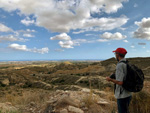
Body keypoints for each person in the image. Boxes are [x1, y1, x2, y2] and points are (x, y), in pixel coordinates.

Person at [106, 47, 132, 113]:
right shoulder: (127, 63)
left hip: (122, 95)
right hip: (128, 93)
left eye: (115, 53)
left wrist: (110, 79)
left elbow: (120, 82)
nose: (115, 55)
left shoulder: (120, 65)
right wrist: (116, 75)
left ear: (118, 54)